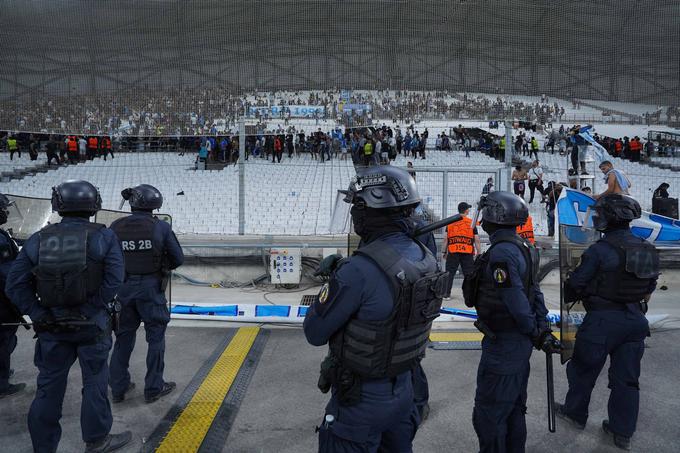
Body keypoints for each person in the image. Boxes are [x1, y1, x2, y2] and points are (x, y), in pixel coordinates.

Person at [304, 166, 447, 451]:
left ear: (372, 206)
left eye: (357, 205)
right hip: (404, 392)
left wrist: (337, 279)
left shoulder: (359, 270)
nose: (355, 214)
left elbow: (314, 332)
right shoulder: (426, 257)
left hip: (360, 402)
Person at [6, 180, 131, 453]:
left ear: (57, 204)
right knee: (95, 382)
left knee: (48, 385)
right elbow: (114, 281)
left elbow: (14, 285)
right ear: (94, 204)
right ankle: (97, 440)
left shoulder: (39, 238)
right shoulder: (105, 236)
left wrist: (39, 314)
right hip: (92, 325)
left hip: (51, 326)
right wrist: (89, 309)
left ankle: (43, 446)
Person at [557, 194, 659, 451]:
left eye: (600, 214)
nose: (597, 218)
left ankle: (575, 414)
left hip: (602, 321)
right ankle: (622, 431)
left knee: (582, 371)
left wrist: (571, 287)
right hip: (635, 321)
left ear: (609, 218)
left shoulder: (600, 250)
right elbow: (649, 286)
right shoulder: (646, 247)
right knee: (627, 379)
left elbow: (576, 285)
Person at [462, 191, 556, 453]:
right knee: (514, 407)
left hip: (504, 343)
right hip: (519, 343)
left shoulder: (501, 254)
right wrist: (541, 329)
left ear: (492, 218)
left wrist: (535, 332)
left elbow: (515, 299)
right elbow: (534, 292)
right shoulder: (523, 246)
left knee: (489, 413)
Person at [109, 184, 184, 404]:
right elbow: (178, 259)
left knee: (123, 338)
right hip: (151, 289)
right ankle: (153, 387)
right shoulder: (160, 227)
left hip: (123, 289)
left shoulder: (115, 226)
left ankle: (118, 388)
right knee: (156, 339)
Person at [0, 194, 26, 397]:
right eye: (4, 209)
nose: (7, 212)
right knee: (4, 340)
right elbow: (8, 274)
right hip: (2, 302)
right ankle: (2, 383)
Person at [442, 202, 481, 299]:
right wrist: (479, 253)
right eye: (468, 208)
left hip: (453, 251)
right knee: (468, 274)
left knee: (450, 273)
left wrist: (444, 251)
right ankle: (469, 295)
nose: (469, 210)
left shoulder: (451, 223)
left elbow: (445, 239)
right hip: (467, 252)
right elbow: (476, 239)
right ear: (466, 210)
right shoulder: (471, 223)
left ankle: (446, 294)